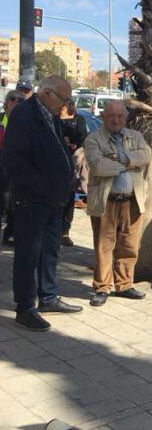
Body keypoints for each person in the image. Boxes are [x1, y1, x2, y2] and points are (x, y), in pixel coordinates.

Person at [3, 76, 82, 332]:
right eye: (64, 99)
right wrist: (44, 186)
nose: (66, 104)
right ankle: (25, 308)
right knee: (28, 254)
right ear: (47, 93)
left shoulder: (49, 114)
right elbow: (15, 162)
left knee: (49, 251)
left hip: (53, 199)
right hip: (33, 199)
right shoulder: (25, 115)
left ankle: (48, 297)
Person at [84, 101, 152, 307]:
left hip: (133, 200)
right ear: (103, 117)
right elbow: (97, 166)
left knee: (129, 245)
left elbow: (147, 155)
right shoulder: (93, 139)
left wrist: (120, 157)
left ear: (125, 118)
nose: (115, 120)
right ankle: (102, 287)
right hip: (107, 202)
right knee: (104, 247)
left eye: (120, 116)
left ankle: (124, 285)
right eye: (111, 116)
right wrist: (131, 164)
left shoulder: (136, 136)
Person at [59, 100, 87, 247]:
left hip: (72, 164)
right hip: (54, 163)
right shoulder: (53, 117)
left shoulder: (78, 119)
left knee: (69, 198)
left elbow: (83, 140)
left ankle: (65, 232)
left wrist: (70, 142)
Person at [0, 90, 24, 246]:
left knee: (13, 203)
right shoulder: (1, 120)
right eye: (13, 99)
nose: (16, 102)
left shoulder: (26, 122)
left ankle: (10, 234)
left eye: (21, 100)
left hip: (17, 170)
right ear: (6, 102)